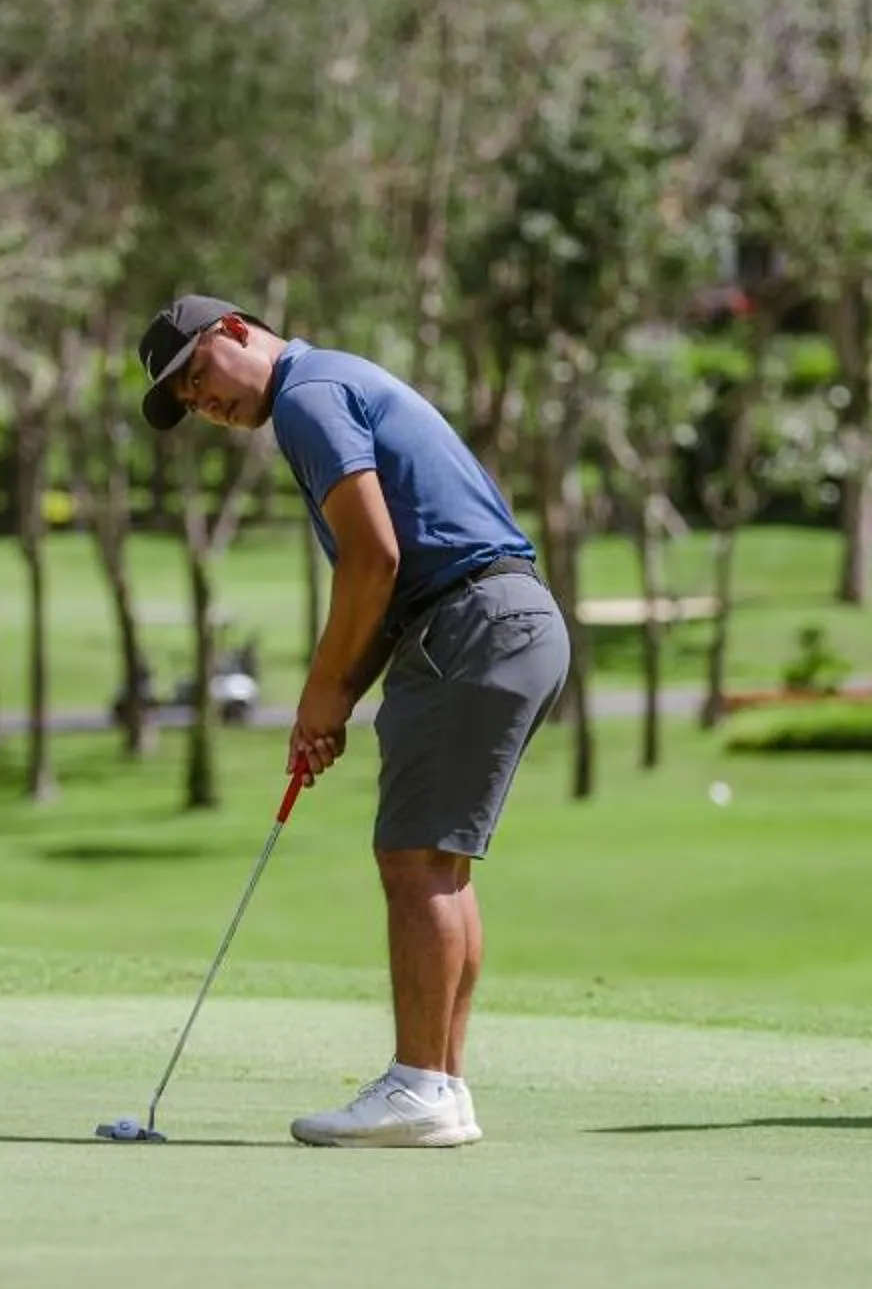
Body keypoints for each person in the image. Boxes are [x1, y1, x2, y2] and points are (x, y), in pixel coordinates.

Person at [138, 295, 569, 1147]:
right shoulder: (332, 384)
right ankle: (441, 1086)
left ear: (232, 331)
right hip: (507, 622)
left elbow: (375, 556)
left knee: (414, 861)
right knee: (439, 863)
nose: (205, 403)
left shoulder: (306, 393)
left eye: (198, 376)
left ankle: (419, 1089)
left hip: (473, 624)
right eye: (188, 402)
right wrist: (333, 705)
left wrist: (321, 690)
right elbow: (388, 584)